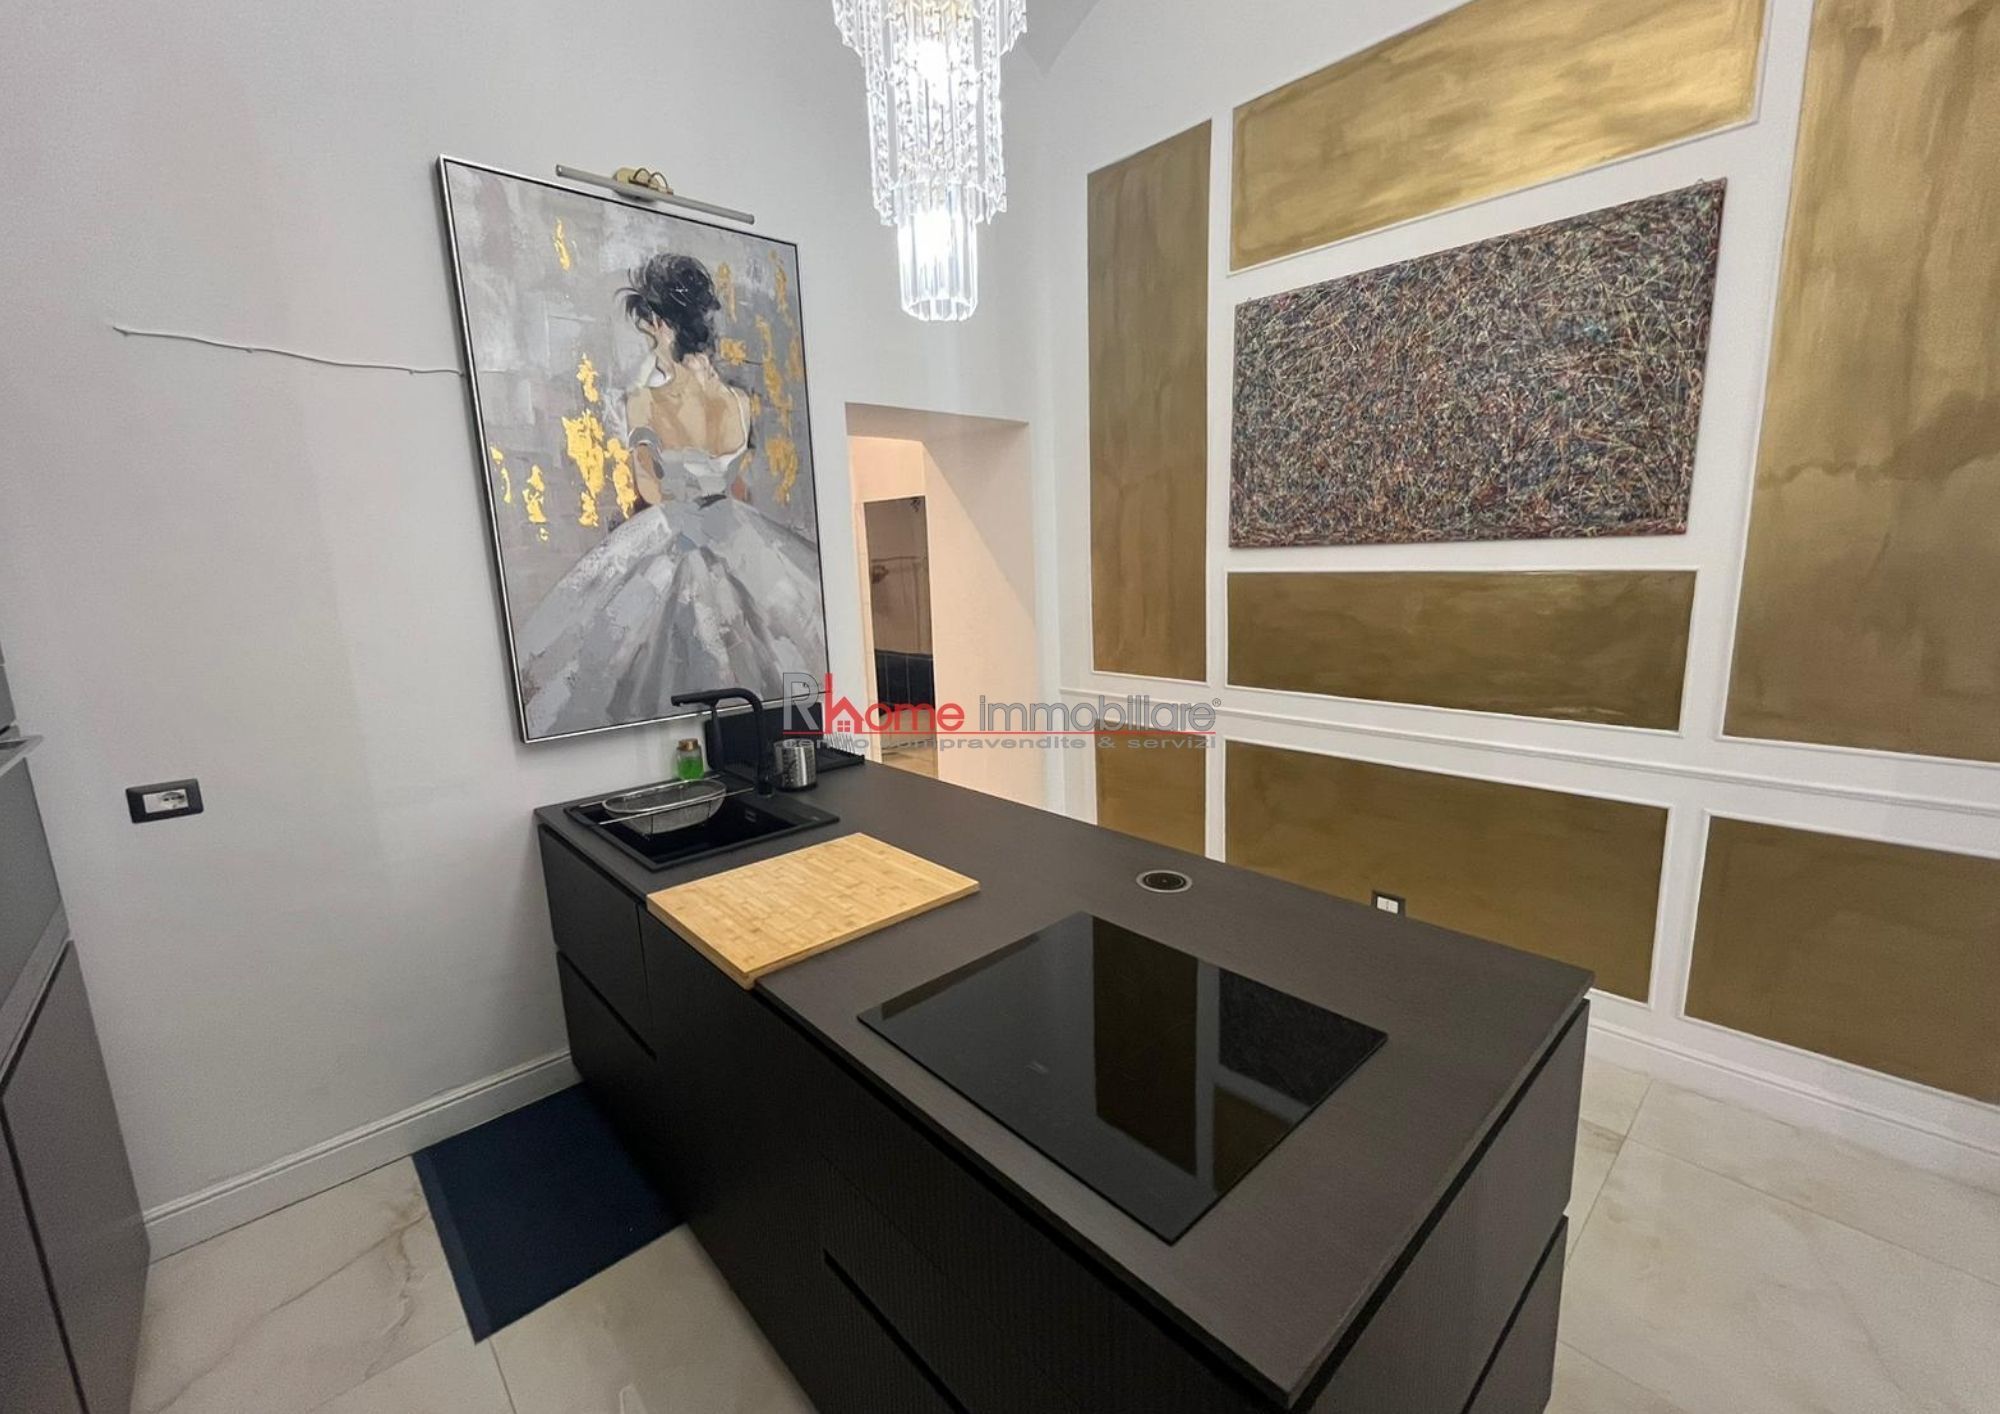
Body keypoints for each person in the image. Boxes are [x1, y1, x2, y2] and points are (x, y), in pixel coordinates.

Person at [515, 253, 826, 739]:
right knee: (770, 650)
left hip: (672, 536)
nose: (649, 341)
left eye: (648, 330)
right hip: (738, 533)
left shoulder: (645, 401)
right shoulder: (740, 402)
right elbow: (735, 482)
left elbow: (649, 489)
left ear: (660, 325)